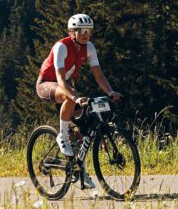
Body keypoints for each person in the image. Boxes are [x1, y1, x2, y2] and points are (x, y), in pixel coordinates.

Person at [36, 12, 120, 165]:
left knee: (82, 129)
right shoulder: (61, 47)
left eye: (89, 31)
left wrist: (110, 92)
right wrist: (75, 97)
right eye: (82, 31)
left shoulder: (89, 48)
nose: (86, 34)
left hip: (66, 86)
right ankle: (62, 136)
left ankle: (78, 167)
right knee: (69, 97)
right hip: (47, 83)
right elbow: (60, 80)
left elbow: (99, 75)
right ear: (72, 32)